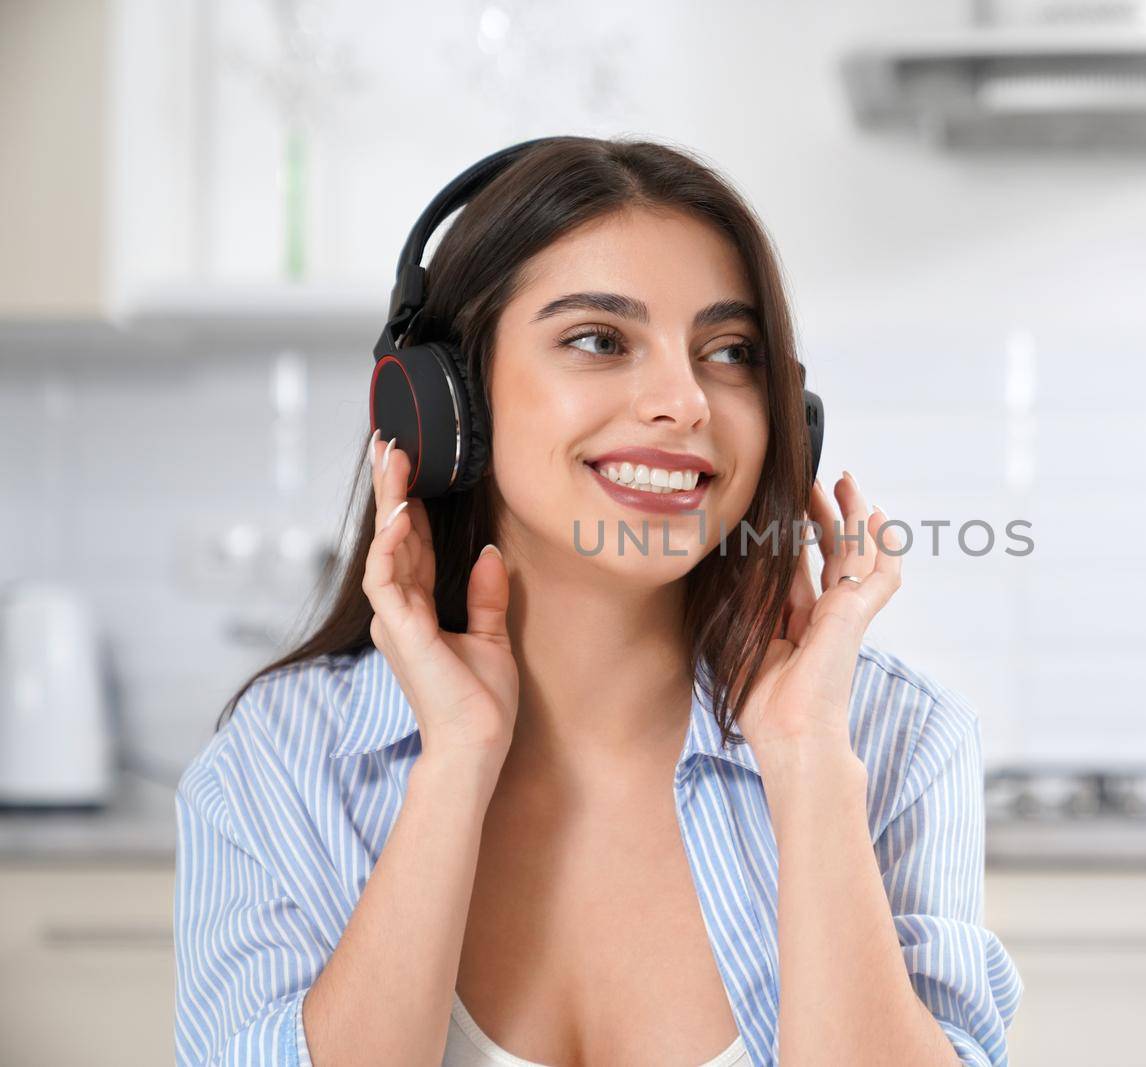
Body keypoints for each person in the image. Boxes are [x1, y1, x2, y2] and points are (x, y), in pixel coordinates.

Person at [172, 136, 1022, 1067]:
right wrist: (456, 759)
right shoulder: (285, 755)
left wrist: (808, 761)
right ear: (448, 404)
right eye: (597, 339)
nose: (684, 400)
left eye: (730, 351)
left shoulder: (895, 736)